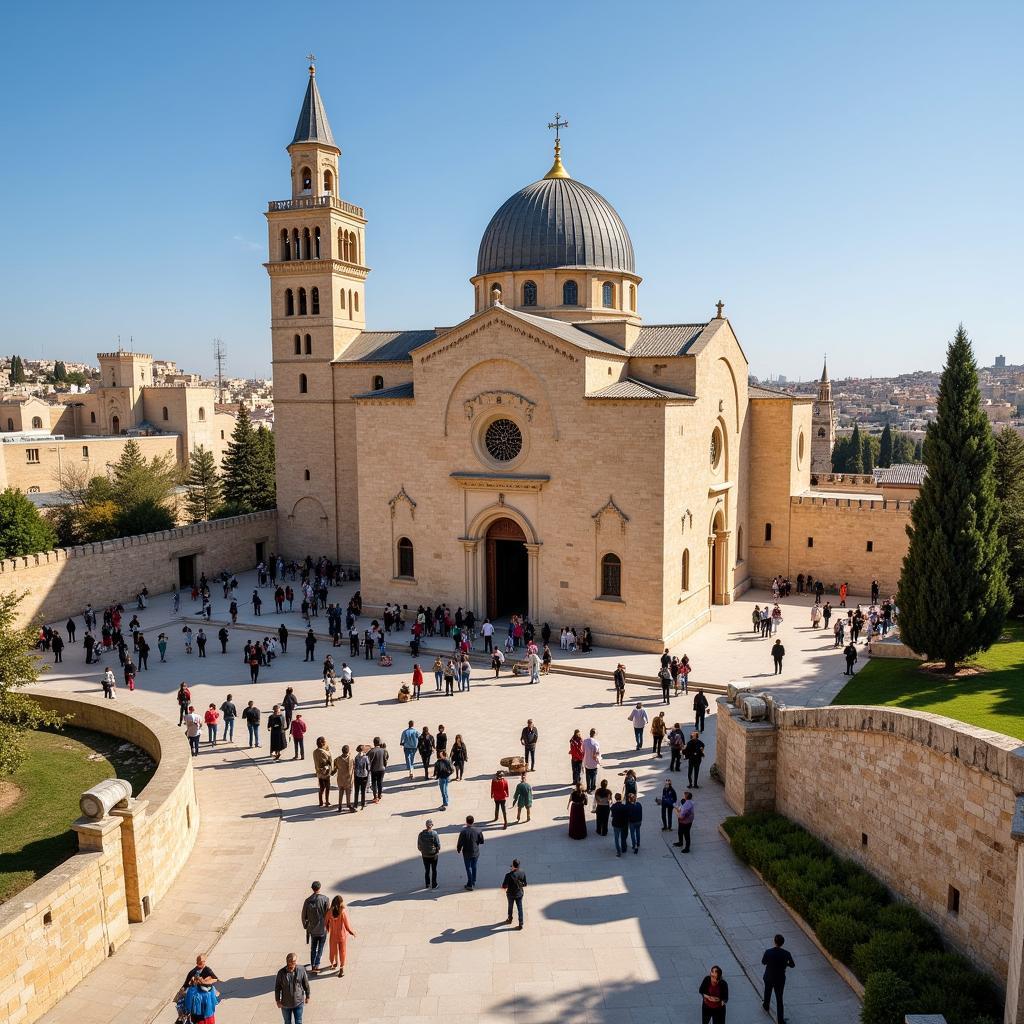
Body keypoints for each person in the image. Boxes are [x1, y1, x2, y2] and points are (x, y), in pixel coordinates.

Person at [762, 933, 796, 1022]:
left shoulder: (768, 952)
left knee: (767, 991)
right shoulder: (786, 953)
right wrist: (786, 964)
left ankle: (766, 1005)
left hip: (769, 976)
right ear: (782, 943)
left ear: (774, 942)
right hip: (780, 978)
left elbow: (763, 962)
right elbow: (792, 965)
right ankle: (780, 1019)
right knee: (779, 998)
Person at [301, 881, 329, 974]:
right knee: (320, 948)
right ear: (319, 888)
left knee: (313, 948)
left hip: (312, 930)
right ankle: (317, 965)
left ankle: (313, 965)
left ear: (312, 888)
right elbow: (328, 914)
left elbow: (303, 915)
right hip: (322, 929)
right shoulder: (325, 899)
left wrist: (306, 926)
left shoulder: (307, 900)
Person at [325, 894, 356, 976]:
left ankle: (335, 962)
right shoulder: (342, 912)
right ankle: (341, 968)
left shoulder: (329, 912)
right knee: (342, 952)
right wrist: (352, 932)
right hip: (342, 936)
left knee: (333, 950)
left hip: (333, 935)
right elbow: (347, 926)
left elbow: (326, 922)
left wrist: (328, 929)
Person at [274, 952, 310, 1023]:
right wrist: (278, 1000)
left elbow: (306, 984)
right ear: (287, 962)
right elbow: (277, 988)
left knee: (299, 1021)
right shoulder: (281, 973)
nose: (294, 963)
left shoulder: (301, 970)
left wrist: (307, 996)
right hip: (285, 1004)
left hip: (299, 1002)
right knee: (287, 1022)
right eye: (292, 962)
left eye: (295, 961)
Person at [457, 814, 485, 889]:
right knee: (474, 866)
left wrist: (458, 849)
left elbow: (460, 842)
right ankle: (473, 881)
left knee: (468, 867)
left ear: (466, 822)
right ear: (473, 822)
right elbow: (482, 841)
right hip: (475, 852)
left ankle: (470, 883)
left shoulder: (463, 832)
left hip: (466, 852)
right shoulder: (478, 830)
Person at [501, 857, 528, 929]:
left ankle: (510, 919)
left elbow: (504, 886)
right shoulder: (522, 872)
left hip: (510, 894)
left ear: (513, 866)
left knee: (510, 906)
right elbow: (525, 884)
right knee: (520, 908)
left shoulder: (508, 875)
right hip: (519, 894)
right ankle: (521, 923)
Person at [417, 819, 441, 889]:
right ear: (432, 825)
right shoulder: (434, 833)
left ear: (426, 825)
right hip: (433, 855)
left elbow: (419, 845)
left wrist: (422, 851)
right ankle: (434, 884)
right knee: (434, 870)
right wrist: (437, 850)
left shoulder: (421, 834)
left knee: (427, 870)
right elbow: (438, 845)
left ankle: (427, 884)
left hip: (425, 855)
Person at [332, 744, 354, 812]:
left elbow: (335, 769)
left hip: (340, 779)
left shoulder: (337, 759)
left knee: (340, 792)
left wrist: (331, 773)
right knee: (348, 793)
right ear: (348, 751)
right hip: (348, 780)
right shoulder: (351, 759)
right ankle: (349, 804)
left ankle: (340, 806)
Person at [313, 737, 332, 807]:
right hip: (326, 773)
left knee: (321, 787)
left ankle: (320, 801)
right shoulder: (324, 752)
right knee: (327, 787)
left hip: (319, 773)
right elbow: (327, 762)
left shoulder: (315, 752)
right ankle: (326, 801)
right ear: (323, 743)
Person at [368, 738, 388, 802]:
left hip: (374, 769)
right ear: (379, 743)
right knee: (380, 782)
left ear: (374, 743)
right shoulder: (383, 750)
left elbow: (368, 760)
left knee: (374, 782)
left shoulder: (371, 751)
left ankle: (375, 796)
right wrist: (385, 765)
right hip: (382, 769)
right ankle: (379, 795)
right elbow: (385, 759)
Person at [353, 745, 370, 810]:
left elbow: (355, 767)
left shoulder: (356, 757)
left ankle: (355, 804)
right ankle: (363, 803)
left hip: (357, 775)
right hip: (364, 775)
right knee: (363, 791)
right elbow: (368, 767)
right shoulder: (365, 757)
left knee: (356, 791)